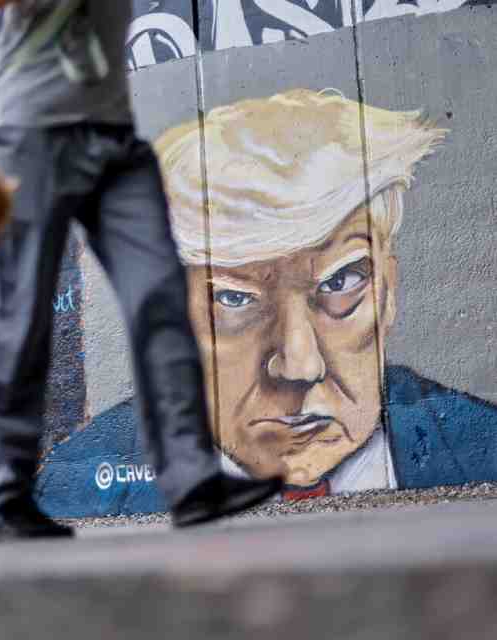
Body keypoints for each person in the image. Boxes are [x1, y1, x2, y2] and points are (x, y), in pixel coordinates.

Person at [0, 0, 284, 541]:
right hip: (28, 132)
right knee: (20, 311)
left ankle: (190, 480)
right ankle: (2, 497)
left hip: (114, 136)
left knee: (160, 293)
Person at [153, 88, 497, 496]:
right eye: (234, 298)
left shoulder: (482, 445)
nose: (300, 365)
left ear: (388, 290)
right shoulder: (76, 478)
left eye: (340, 283)